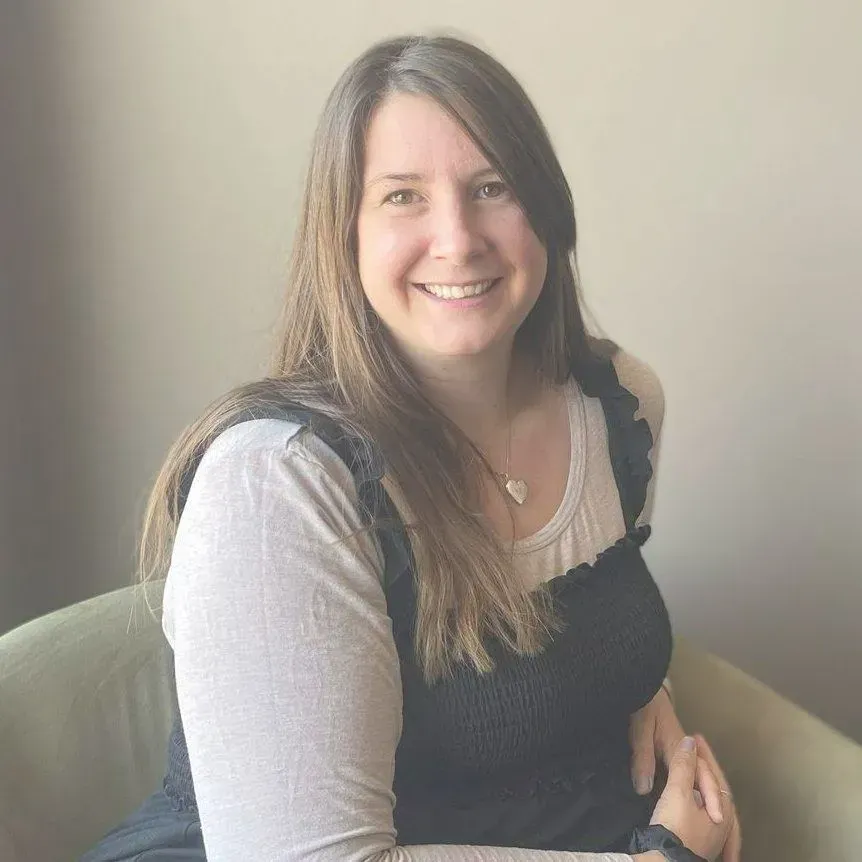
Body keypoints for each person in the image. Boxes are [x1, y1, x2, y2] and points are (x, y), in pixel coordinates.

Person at [82, 34, 742, 862]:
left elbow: (579, 631)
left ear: (547, 211)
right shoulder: (279, 488)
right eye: (402, 197)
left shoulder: (619, 405)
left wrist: (645, 691)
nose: (457, 240)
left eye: (492, 187)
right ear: (344, 232)